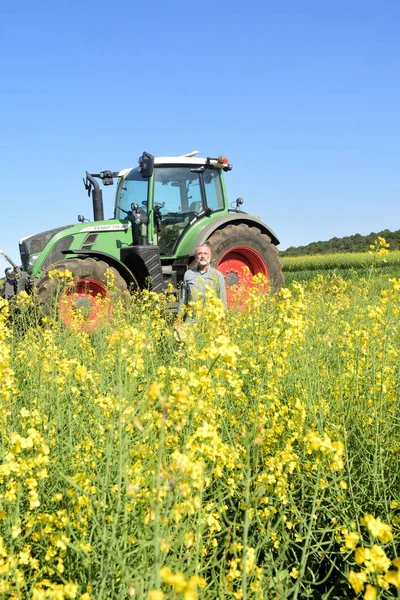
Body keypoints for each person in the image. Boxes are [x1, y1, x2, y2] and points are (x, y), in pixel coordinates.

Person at [178, 245, 227, 321]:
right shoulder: (188, 274)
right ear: (196, 257)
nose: (203, 256)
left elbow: (222, 300)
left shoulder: (217, 275)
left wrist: (222, 320)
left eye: (205, 253)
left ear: (210, 256)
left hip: (210, 319)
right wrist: (179, 319)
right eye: (200, 253)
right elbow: (183, 299)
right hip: (192, 319)